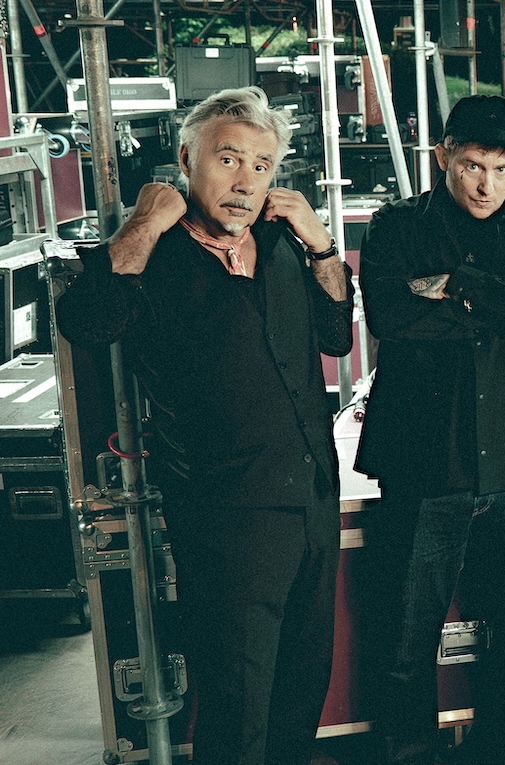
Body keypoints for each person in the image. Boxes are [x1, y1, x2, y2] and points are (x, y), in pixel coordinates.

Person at [55, 86, 353, 765]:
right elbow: (88, 321)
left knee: (301, 683)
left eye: (262, 165)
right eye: (228, 159)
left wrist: (322, 245)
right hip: (225, 514)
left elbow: (337, 337)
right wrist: (143, 222)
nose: (246, 181)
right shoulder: (157, 254)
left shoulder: (282, 242)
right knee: (236, 697)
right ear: (187, 160)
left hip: (311, 497)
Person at [354, 94, 505, 765]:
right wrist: (501, 296)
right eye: (473, 165)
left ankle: (503, 752)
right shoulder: (393, 227)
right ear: (442, 155)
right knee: (404, 641)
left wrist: (455, 283)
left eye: (503, 169)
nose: (487, 184)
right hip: (422, 467)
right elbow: (392, 317)